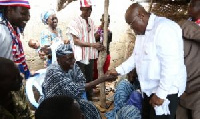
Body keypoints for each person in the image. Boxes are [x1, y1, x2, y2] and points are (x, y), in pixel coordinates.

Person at [106, 3, 186, 119]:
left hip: (166, 92)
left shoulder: (164, 28)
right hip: (148, 90)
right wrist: (118, 70)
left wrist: (161, 94)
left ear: (141, 16)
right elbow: (136, 56)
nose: (132, 29)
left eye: (132, 25)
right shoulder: (142, 33)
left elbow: (170, 65)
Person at [39, 44, 116, 119]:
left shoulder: (73, 65)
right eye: (69, 59)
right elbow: (75, 89)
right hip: (55, 106)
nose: (73, 61)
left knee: (91, 108)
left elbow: (81, 81)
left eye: (73, 58)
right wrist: (103, 78)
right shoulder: (53, 71)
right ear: (58, 59)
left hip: (70, 100)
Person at [68, 0, 104, 100]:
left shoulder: (91, 21)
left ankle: (89, 97)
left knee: (89, 77)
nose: (89, 10)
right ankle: (82, 100)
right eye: (87, 8)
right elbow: (76, 41)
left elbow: (93, 35)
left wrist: (102, 28)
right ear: (81, 9)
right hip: (80, 56)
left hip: (90, 55)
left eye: (90, 8)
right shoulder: (74, 22)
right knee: (81, 79)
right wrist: (92, 44)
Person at [176, 0, 200, 118]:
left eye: (191, 5)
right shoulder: (184, 25)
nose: (188, 7)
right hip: (184, 85)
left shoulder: (186, 26)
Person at [0, 0, 31, 79]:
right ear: (10, 10)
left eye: (29, 14)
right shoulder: (1, 31)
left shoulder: (14, 30)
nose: (27, 18)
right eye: (23, 13)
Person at [93, 14, 112, 80]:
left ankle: (101, 87)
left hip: (106, 55)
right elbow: (93, 41)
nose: (106, 23)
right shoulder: (96, 31)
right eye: (104, 21)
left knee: (103, 73)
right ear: (101, 20)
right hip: (96, 56)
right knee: (95, 74)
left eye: (108, 21)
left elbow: (107, 43)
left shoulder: (109, 32)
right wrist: (97, 35)